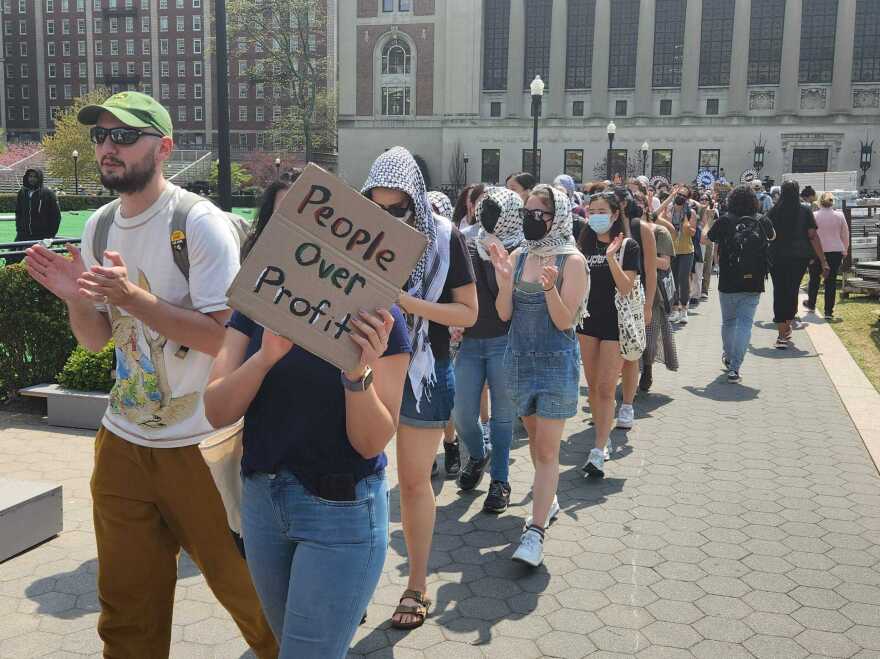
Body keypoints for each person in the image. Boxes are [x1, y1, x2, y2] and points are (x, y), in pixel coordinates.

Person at [24, 91, 276, 658]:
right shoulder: (99, 226)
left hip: (204, 448)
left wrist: (135, 300)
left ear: (163, 148)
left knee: (256, 602)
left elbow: (224, 337)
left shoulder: (197, 223)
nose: (107, 148)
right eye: (100, 136)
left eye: (123, 136)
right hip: (123, 444)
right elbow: (98, 339)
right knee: (126, 613)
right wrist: (75, 299)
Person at [203, 179, 411, 658]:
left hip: (340, 512)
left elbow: (372, 442)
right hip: (262, 505)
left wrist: (356, 372)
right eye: (284, 222)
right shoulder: (252, 307)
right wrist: (264, 358)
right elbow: (216, 410)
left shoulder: (379, 321)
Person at [361, 147, 478, 629]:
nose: (388, 218)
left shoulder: (446, 239)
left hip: (426, 370)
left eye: (398, 209)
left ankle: (417, 584)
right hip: (363, 365)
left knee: (412, 482)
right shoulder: (355, 235)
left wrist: (408, 303)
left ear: (415, 201)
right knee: (359, 478)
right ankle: (355, 584)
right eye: (378, 207)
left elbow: (467, 312)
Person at [490, 184, 588, 567]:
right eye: (526, 212)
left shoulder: (573, 261)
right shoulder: (518, 256)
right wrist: (502, 284)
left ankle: (535, 532)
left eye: (538, 214)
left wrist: (549, 288)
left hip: (556, 362)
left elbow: (565, 321)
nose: (530, 220)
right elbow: (503, 315)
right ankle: (548, 500)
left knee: (548, 449)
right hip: (519, 361)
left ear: (557, 216)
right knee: (535, 444)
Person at [453, 187, 523, 512]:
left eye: (494, 209)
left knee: (503, 417)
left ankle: (500, 481)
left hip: (504, 342)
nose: (487, 215)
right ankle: (478, 456)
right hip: (469, 341)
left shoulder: (521, 249)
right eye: (484, 208)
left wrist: (503, 271)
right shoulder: (468, 241)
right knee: (462, 413)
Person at [577, 186, 640, 477]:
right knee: (592, 388)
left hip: (616, 325)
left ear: (616, 214)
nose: (596, 217)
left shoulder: (629, 246)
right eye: (592, 212)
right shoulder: (583, 245)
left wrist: (612, 257)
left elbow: (626, 287)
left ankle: (599, 448)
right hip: (587, 324)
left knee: (605, 388)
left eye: (602, 212)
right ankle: (603, 436)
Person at [706, 185, 776, 382]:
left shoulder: (725, 220)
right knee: (745, 323)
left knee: (729, 322)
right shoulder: (762, 219)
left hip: (729, 278)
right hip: (754, 278)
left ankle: (728, 357)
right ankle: (735, 367)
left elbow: (706, 239)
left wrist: (706, 221)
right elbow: (772, 237)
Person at [768, 180, 829, 349]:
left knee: (779, 291)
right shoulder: (804, 210)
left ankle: (782, 332)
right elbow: (813, 235)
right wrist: (823, 260)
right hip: (799, 256)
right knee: (792, 289)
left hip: (777, 256)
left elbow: (766, 233)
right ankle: (787, 324)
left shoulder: (774, 210)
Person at [616, 186, 656, 431]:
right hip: (602, 302)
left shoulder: (641, 228)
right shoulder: (594, 230)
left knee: (631, 355)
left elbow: (651, 270)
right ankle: (604, 405)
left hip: (632, 300)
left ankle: (627, 405)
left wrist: (648, 304)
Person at [641, 210, 679, 392]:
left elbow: (664, 263)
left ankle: (647, 368)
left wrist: (641, 254)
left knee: (649, 337)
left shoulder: (660, 232)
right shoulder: (622, 232)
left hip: (653, 293)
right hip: (625, 290)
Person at [805, 191, 849, 319]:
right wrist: (845, 250)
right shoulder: (840, 215)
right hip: (835, 251)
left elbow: (809, 235)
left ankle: (811, 303)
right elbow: (845, 235)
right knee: (831, 281)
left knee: (814, 278)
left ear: (819, 202)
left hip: (816, 251)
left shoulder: (814, 215)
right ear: (832, 202)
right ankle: (828, 311)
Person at [657, 185, 696, 324]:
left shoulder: (691, 212)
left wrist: (686, 224)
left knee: (683, 279)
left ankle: (684, 309)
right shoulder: (668, 210)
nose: (680, 197)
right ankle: (674, 309)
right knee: (671, 280)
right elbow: (657, 218)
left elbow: (692, 232)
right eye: (678, 194)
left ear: (687, 199)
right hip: (671, 250)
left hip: (686, 251)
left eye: (683, 196)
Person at [10, 168, 62, 263]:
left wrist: (50, 235)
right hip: (23, 234)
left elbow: (56, 216)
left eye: (35, 177)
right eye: (30, 176)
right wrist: (19, 228)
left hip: (41, 235)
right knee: (11, 259)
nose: (32, 179)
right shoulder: (22, 192)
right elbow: (18, 212)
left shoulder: (48, 193)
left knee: (39, 263)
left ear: (40, 178)